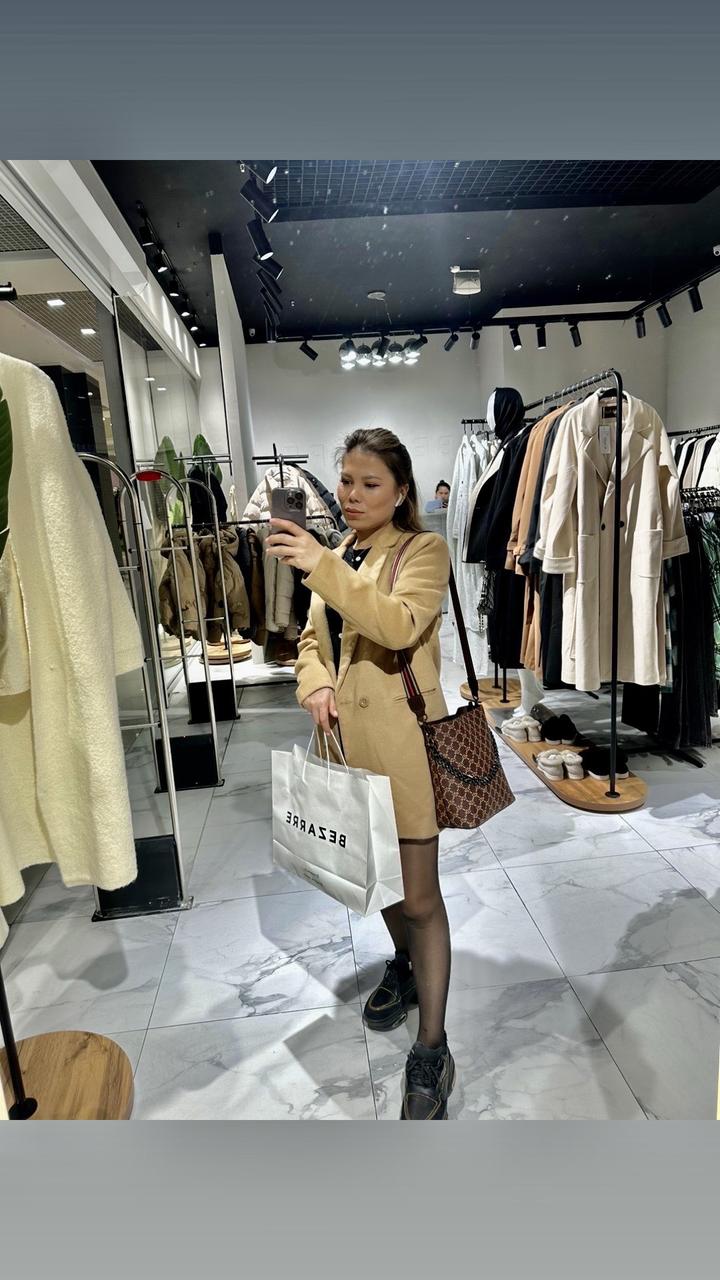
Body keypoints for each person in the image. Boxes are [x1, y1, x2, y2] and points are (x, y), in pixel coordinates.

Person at [266, 427, 455, 1120]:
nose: (350, 494)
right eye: (346, 480)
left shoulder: (422, 551)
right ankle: (403, 966)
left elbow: (398, 625)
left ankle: (432, 1046)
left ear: (401, 491)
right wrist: (314, 682)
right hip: (344, 747)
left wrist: (321, 563)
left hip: (402, 747)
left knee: (421, 898)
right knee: (378, 880)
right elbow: (312, 641)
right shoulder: (341, 550)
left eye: (369, 483)